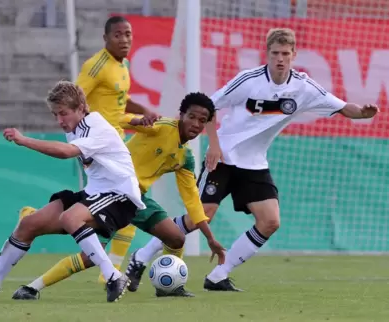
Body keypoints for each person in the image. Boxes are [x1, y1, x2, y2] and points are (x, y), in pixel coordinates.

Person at [131, 27, 379, 292]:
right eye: (275, 53)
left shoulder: (303, 87)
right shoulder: (249, 80)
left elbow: (342, 106)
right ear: (267, 53)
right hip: (224, 156)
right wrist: (213, 145)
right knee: (200, 217)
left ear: (294, 55)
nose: (280, 59)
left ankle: (218, 275)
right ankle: (141, 258)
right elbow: (208, 108)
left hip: (254, 163)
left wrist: (362, 113)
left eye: (285, 53)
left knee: (270, 221)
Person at [11, 92, 226, 299]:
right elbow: (115, 120)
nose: (196, 124)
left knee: (176, 238)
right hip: (112, 192)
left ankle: (171, 287)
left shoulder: (185, 158)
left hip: (136, 198)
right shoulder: (160, 127)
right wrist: (139, 119)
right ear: (181, 115)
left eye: (202, 120)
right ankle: (32, 287)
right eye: (192, 117)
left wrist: (210, 238)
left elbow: (192, 200)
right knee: (89, 258)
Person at [0, 81, 146, 303]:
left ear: (81, 108)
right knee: (29, 224)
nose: (59, 121)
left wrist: (24, 140)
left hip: (120, 197)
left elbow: (67, 153)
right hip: (95, 194)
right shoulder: (75, 128)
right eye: (55, 115)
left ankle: (113, 276)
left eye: (63, 113)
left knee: (70, 217)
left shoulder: (96, 126)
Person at [20, 16, 159, 286]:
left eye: (128, 34)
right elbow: (74, 99)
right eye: (118, 35)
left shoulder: (123, 65)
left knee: (124, 208)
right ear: (105, 38)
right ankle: (111, 273)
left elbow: (119, 101)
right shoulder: (95, 66)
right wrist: (76, 135)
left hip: (114, 147)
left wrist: (142, 112)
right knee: (123, 205)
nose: (124, 40)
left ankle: (108, 270)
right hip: (97, 147)